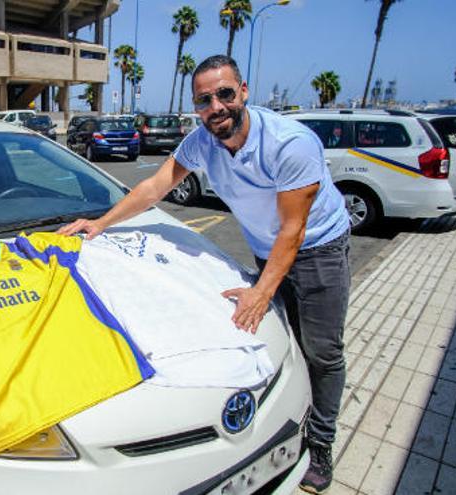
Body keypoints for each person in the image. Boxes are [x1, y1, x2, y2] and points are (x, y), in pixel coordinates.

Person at [57, 55, 350, 495]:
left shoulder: (289, 144)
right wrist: (100, 224)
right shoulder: (202, 142)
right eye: (205, 99)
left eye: (225, 94)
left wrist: (260, 291)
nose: (217, 106)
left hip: (318, 251)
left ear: (244, 92)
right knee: (285, 338)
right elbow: (155, 186)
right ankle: (293, 413)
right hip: (267, 250)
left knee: (323, 352)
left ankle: (321, 442)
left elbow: (293, 231)